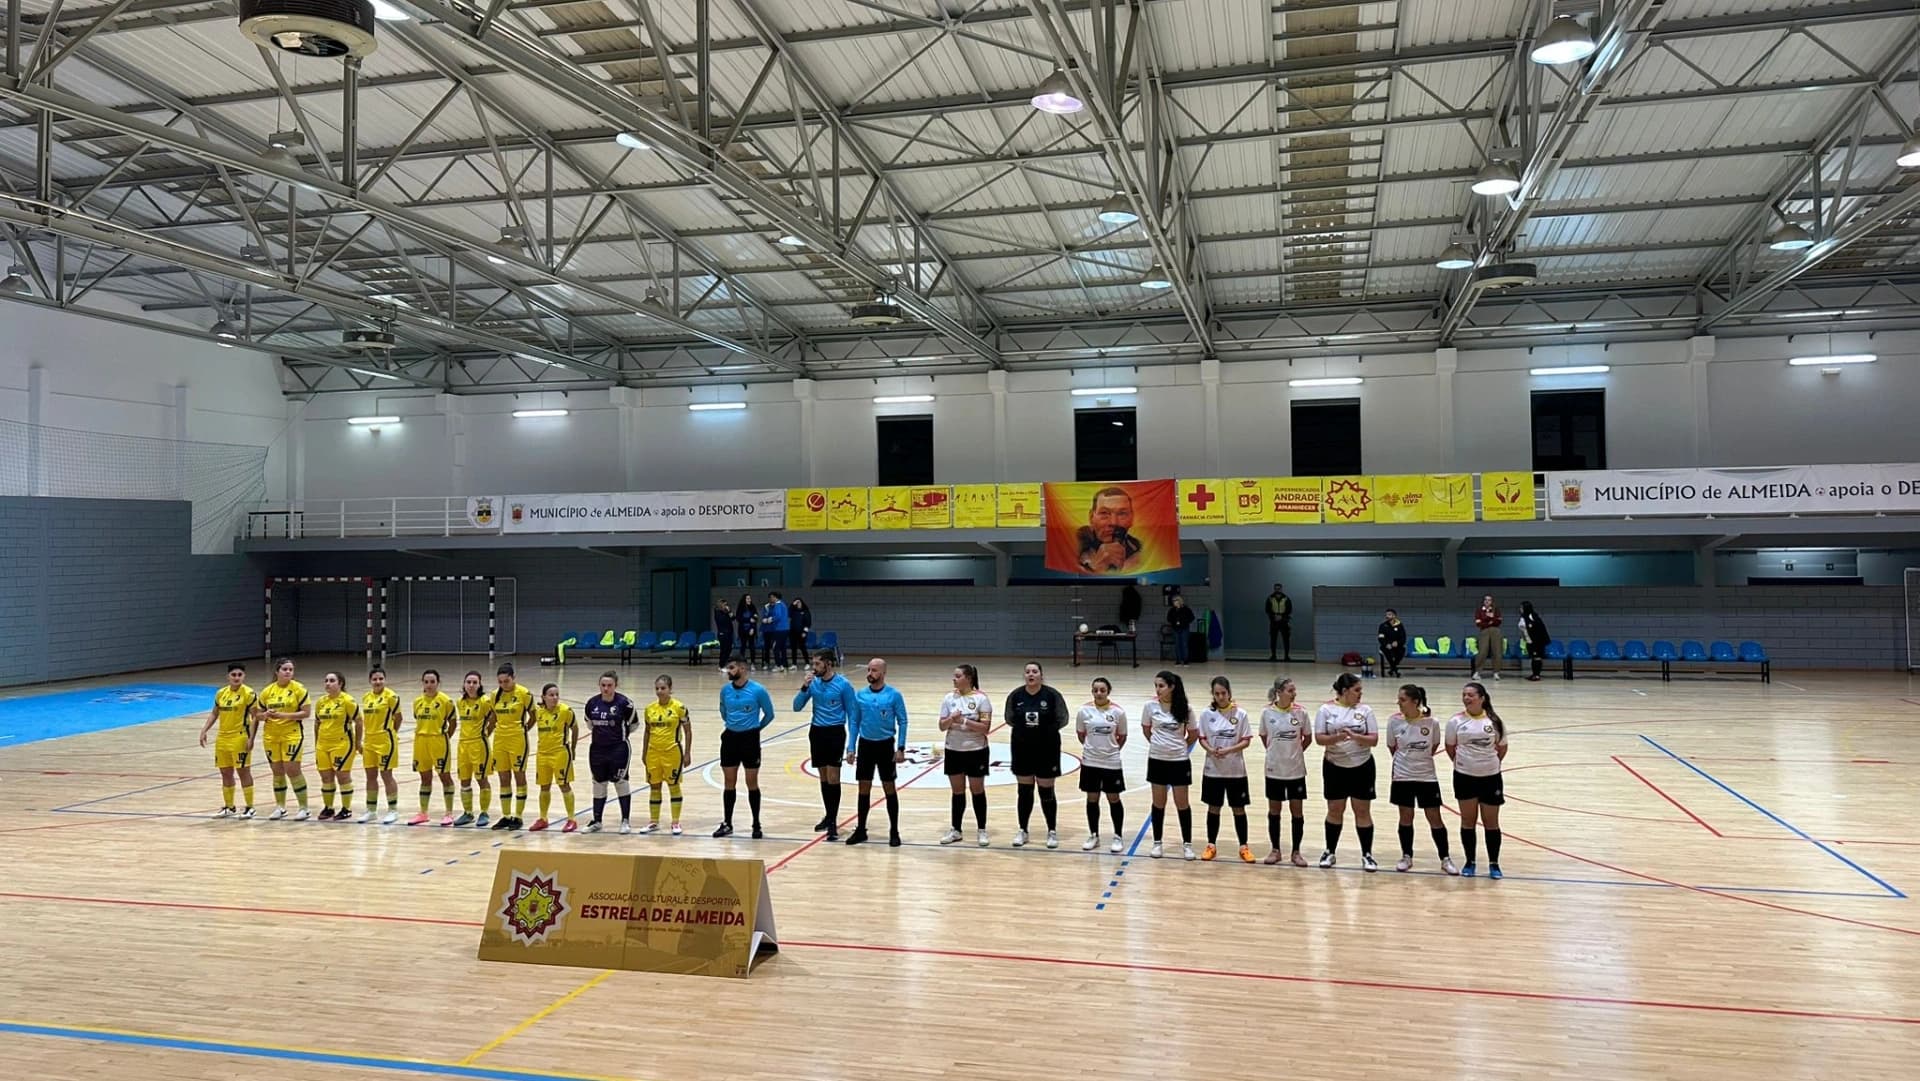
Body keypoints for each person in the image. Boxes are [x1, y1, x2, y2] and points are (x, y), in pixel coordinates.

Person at [1314, 672, 1380, 871]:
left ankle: (1367, 854)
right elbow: (1319, 738)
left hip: (1362, 766)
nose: (1360, 694)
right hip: (1335, 766)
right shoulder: (1326, 710)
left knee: (1362, 811)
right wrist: (1338, 738)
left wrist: (1354, 736)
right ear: (1344, 691)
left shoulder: (1366, 710)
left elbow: (1374, 740)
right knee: (1335, 810)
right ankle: (1329, 851)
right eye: (1357, 690)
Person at [1387, 684, 1455, 875]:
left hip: (1426, 776)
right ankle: (1406, 856)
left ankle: (1445, 858)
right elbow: (1392, 748)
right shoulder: (1394, 722)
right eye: (1398, 700)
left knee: (1434, 817)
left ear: (1415, 702)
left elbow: (1433, 747)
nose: (1398, 704)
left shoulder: (1431, 722)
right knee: (1405, 817)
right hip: (1402, 776)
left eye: (1402, 700)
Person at [794, 648, 858, 841]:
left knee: (833, 776)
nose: (814, 668)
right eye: (813, 664)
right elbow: (796, 707)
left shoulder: (843, 685)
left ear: (828, 664)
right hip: (817, 732)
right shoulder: (813, 684)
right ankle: (828, 815)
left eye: (817, 664)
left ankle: (832, 822)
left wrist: (851, 745)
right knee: (823, 776)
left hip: (835, 732)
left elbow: (853, 715)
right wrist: (804, 687)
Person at [1448, 681, 1510, 878]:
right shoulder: (1455, 721)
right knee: (1468, 821)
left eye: (1471, 695)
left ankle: (1494, 863)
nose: (1466, 698)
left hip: (1490, 777)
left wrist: (1488, 763)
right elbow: (1450, 747)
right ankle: (1470, 861)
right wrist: (1465, 764)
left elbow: (1502, 747)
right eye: (1464, 694)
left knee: (1491, 822)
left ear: (1482, 698)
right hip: (1464, 777)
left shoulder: (1494, 722)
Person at [1005, 661, 1070, 848]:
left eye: (1034, 671)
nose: (1031, 674)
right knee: (1024, 791)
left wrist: (1044, 732)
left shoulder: (1052, 695)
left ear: (1041, 675)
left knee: (1046, 791)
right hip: (1022, 747)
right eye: (1027, 672)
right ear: (1024, 675)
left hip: (1047, 748)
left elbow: (1062, 719)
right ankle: (1023, 830)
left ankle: (1051, 831)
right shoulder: (1016, 696)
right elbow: (1009, 718)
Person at [845, 657, 909, 846]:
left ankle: (894, 831)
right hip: (866, 746)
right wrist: (851, 747)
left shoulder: (893, 695)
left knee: (889, 787)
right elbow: (854, 721)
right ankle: (861, 830)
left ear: (882, 673)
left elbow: (903, 721)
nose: (869, 674)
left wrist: (901, 747)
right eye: (868, 670)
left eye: (873, 670)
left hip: (885, 746)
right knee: (863, 788)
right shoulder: (860, 695)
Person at [1140, 670, 1197, 860]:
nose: (1157, 690)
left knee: (1182, 803)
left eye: (1161, 686)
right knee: (1158, 803)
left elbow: (1193, 735)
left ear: (1172, 687)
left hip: (1179, 761)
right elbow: (1146, 730)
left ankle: (1187, 844)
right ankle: (1157, 843)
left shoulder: (1185, 708)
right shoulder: (1150, 706)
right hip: (1157, 760)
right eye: (1156, 686)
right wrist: (1158, 745)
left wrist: (1179, 747)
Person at [1196, 676, 1254, 863]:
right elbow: (1202, 738)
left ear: (1229, 693)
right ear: (1213, 694)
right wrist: (1211, 750)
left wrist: (1229, 750)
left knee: (1239, 808)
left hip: (1235, 770)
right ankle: (1211, 845)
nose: (1220, 697)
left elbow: (1246, 740)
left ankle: (1243, 846)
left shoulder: (1241, 714)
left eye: (1223, 693)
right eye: (1217, 693)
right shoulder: (1206, 714)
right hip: (1213, 770)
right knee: (1214, 808)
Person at [716, 659, 775, 838]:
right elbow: (723, 711)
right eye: (728, 668)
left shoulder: (758, 690)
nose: (729, 671)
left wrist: (755, 728)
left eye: (732, 667)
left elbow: (769, 714)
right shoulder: (725, 690)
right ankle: (727, 823)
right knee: (729, 782)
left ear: (742, 669)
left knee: (751, 782)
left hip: (750, 740)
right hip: (730, 739)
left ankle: (756, 824)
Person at [938, 664, 994, 847]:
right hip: (953, 749)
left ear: (968, 678)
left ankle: (982, 830)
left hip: (976, 750)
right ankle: (956, 829)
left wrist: (963, 720)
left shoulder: (981, 699)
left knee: (977, 790)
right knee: (957, 791)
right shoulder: (948, 698)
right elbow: (942, 726)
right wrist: (950, 720)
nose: (954, 679)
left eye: (957, 676)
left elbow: (985, 728)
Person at [251, 657, 312, 821]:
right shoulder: (267, 691)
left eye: (291, 670)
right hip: (271, 735)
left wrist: (283, 715)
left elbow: (306, 713)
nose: (288, 672)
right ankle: (280, 807)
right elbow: (257, 714)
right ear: (277, 671)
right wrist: (264, 715)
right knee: (277, 771)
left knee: (292, 769)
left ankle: (304, 808)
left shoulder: (299, 689)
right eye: (285, 669)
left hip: (291, 734)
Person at [1259, 677, 1311, 867]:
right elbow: (1264, 737)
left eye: (1294, 690)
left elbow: (1307, 738)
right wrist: (1277, 753)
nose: (1294, 693)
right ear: (1279, 692)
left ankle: (1296, 852)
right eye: (1290, 690)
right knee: (1274, 810)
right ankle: (1275, 850)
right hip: (1274, 770)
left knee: (1297, 811)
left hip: (1295, 770)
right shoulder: (1267, 712)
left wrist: (1294, 753)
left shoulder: (1301, 712)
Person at [1075, 677, 1128, 852]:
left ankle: (1118, 836)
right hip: (1090, 761)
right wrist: (1093, 749)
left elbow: (1122, 736)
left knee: (1113, 798)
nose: (1099, 693)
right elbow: (1081, 734)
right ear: (1092, 692)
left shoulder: (1118, 712)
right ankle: (1094, 835)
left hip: (1111, 761)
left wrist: (1111, 750)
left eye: (1102, 690)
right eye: (1095, 690)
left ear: (1108, 692)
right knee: (1092, 798)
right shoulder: (1084, 711)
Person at [583, 671, 639, 833]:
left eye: (609, 685)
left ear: (616, 686)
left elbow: (633, 725)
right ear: (599, 686)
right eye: (603, 685)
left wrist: (618, 735)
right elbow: (590, 724)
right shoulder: (591, 703)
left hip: (618, 749)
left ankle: (625, 821)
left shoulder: (625, 704)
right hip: (597, 749)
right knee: (598, 782)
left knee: (621, 781)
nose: (606, 689)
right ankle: (597, 820)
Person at [200, 663, 257, 819]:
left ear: (244, 676)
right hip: (222, 738)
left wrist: (251, 738)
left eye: (240, 675)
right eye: (234, 675)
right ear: (228, 676)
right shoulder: (221, 693)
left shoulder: (249, 693)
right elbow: (214, 713)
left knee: (243, 771)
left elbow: (255, 717)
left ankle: (250, 807)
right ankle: (229, 806)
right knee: (225, 772)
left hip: (239, 737)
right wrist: (204, 730)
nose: (237, 677)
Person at [640, 674, 693, 835]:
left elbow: (688, 731)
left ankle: (675, 822)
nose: (659, 691)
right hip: (653, 753)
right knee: (654, 786)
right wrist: (644, 752)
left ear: (670, 689)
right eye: (657, 688)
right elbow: (647, 732)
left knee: (673, 786)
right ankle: (654, 821)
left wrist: (687, 753)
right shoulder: (649, 709)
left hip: (672, 753)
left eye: (663, 688)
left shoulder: (679, 708)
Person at [408, 669, 457, 826]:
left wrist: (444, 737)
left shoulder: (446, 701)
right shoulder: (417, 702)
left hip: (439, 741)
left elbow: (453, 723)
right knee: (425, 778)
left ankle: (449, 813)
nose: (429, 685)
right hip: (421, 742)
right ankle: (423, 812)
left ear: (438, 683)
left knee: (445, 777)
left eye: (432, 682)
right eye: (426, 682)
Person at [489, 664, 534, 830]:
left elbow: (533, 716)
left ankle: (518, 816)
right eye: (500, 682)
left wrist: (524, 730)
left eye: (506, 681)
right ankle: (506, 815)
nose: (503, 685)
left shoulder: (524, 693)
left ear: (513, 678)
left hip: (517, 739)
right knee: (503, 778)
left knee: (519, 776)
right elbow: (493, 717)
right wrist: (486, 733)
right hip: (500, 739)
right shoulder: (495, 695)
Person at [529, 683, 580, 832]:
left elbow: (575, 728)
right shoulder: (538, 712)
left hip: (560, 753)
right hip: (542, 754)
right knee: (544, 787)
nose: (555, 698)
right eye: (551, 695)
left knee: (564, 785)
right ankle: (543, 818)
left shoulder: (565, 711)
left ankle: (572, 819)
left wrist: (573, 748)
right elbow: (529, 722)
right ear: (543, 697)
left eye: (557, 694)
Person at [311, 671, 359, 822]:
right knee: (326, 777)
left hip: (342, 743)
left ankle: (346, 809)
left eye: (332, 680)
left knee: (342, 776)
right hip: (323, 744)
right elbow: (317, 723)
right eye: (326, 680)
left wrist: (358, 742)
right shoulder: (321, 702)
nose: (328, 683)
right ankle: (329, 807)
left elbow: (359, 721)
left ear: (340, 684)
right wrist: (316, 742)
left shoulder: (347, 701)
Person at [356, 666, 402, 823]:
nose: (378, 682)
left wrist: (391, 733)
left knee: (386, 775)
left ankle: (393, 810)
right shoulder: (366, 697)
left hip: (385, 741)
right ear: (370, 681)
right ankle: (371, 810)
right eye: (375, 679)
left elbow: (399, 718)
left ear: (385, 680)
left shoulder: (391, 697)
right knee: (370, 776)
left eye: (381, 679)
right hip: (369, 741)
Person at [453, 670, 496, 828]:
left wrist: (487, 733)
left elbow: (494, 718)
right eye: (468, 682)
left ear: (479, 685)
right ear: (464, 684)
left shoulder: (485, 702)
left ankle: (484, 812)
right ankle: (468, 812)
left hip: (479, 745)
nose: (471, 685)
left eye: (474, 682)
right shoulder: (460, 702)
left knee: (481, 779)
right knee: (464, 781)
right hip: (463, 745)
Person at [1076, 487, 1141, 573]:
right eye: (1104, 513)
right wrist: (1095, 569)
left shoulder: (1141, 550)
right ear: (1091, 517)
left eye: (1122, 514)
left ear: (1132, 519)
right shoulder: (1071, 545)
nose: (1113, 522)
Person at [1472, 595, 1503, 681]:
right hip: (1484, 631)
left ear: (1492, 602)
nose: (1487, 601)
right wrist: (1489, 619)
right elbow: (1479, 623)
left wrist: (1488, 619)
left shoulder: (1496, 610)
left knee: (1497, 651)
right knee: (1482, 651)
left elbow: (1498, 621)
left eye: (1489, 600)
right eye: (1485, 600)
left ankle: (1496, 672)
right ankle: (1477, 672)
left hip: (1495, 631)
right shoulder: (1479, 611)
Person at [1518, 601, 1551, 681]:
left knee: (1537, 658)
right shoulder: (1523, 617)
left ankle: (1537, 675)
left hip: (1537, 642)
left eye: (1521, 608)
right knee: (1533, 658)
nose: (1520, 609)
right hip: (1529, 641)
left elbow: (1539, 629)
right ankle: (1534, 674)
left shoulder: (1533, 616)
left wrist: (1537, 641)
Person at [1266, 583, 1293, 662]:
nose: (1277, 590)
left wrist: (1282, 616)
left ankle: (1286, 656)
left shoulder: (1286, 598)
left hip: (1284, 622)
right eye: (1276, 589)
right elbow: (1267, 610)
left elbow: (1289, 610)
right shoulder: (1270, 598)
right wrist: (1274, 616)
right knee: (1273, 639)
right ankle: (1273, 656)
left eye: (1279, 589)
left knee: (1286, 640)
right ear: (1274, 589)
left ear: (1281, 589)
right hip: (1274, 622)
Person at [765, 590, 791, 672]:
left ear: (775, 597)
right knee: (782, 647)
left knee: (775, 647)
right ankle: (785, 664)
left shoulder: (778, 605)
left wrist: (770, 619)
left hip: (779, 629)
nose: (770, 599)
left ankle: (778, 665)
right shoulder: (783, 604)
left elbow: (778, 616)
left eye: (771, 597)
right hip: (785, 629)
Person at [1166, 595, 1196, 667]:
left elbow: (1192, 617)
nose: (1174, 603)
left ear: (1179, 601)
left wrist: (1183, 622)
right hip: (1175, 629)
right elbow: (1168, 618)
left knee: (1184, 644)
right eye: (1173, 601)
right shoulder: (1172, 610)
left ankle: (1185, 660)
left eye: (1175, 601)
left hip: (1184, 628)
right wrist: (1174, 622)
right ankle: (1178, 661)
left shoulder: (1186, 609)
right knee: (1177, 645)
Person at [1377, 609, 1407, 677]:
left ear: (1394, 616)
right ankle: (1395, 670)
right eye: (1386, 615)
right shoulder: (1383, 626)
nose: (1387, 616)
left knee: (1402, 650)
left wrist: (1398, 643)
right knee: (1388, 653)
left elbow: (1403, 638)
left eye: (1389, 614)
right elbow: (1381, 638)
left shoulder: (1400, 625)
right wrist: (1386, 644)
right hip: (1386, 646)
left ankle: (1392, 669)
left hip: (1397, 645)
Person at [735, 594, 758, 671]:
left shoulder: (753, 607)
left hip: (751, 630)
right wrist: (748, 619)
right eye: (747, 598)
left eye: (750, 598)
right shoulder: (740, 608)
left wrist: (752, 628)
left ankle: (752, 663)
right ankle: (741, 664)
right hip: (742, 630)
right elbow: (738, 618)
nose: (749, 600)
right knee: (743, 647)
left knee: (752, 647)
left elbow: (755, 618)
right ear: (744, 599)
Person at [788, 597, 812, 670]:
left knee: (803, 648)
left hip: (801, 633)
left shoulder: (806, 611)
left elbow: (808, 623)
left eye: (799, 602)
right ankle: (794, 664)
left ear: (802, 603)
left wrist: (805, 632)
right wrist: (792, 605)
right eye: (796, 603)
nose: (798, 604)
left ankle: (807, 663)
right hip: (792, 632)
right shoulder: (793, 612)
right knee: (793, 649)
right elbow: (788, 613)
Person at [713, 598, 735, 671]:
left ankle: (725, 664)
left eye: (726, 604)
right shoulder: (717, 612)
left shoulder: (727, 612)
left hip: (729, 633)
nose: (726, 606)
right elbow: (721, 621)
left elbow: (733, 618)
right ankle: (721, 665)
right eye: (724, 605)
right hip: (722, 633)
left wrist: (729, 611)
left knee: (729, 649)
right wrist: (726, 613)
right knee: (724, 650)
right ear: (721, 605)